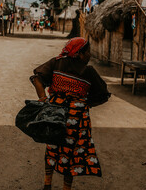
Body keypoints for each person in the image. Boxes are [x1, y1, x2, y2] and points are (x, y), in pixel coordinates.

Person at [30, 37, 110, 190]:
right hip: (77, 119)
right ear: (79, 54)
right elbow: (102, 95)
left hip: (54, 113)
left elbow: (37, 79)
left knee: (52, 147)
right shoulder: (88, 71)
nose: (89, 55)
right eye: (87, 52)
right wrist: (84, 104)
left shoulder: (56, 62)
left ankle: (47, 184)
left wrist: (43, 100)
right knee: (71, 155)